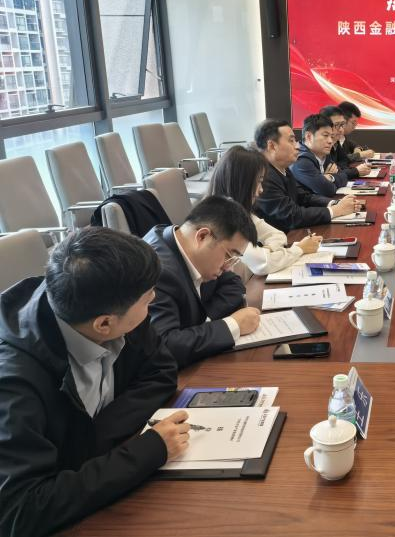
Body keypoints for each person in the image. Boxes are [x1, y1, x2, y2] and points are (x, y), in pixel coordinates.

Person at [0, 227, 187, 537]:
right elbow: (20, 510)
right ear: (104, 324)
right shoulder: (14, 384)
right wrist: (146, 451)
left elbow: (161, 371)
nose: (153, 300)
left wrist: (95, 437)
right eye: (147, 299)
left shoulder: (114, 303)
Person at [144, 195, 261, 369]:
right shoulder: (156, 270)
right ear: (202, 236)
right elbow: (165, 347)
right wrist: (232, 325)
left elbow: (234, 284)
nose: (228, 267)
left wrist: (204, 322)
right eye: (229, 255)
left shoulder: (192, 251)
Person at [207, 145, 322, 280]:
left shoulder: (241, 212)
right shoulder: (222, 219)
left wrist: (267, 251)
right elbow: (264, 265)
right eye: (258, 182)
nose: (261, 189)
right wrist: (300, 248)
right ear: (242, 183)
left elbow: (278, 235)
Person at [253, 119, 358, 232]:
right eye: (291, 140)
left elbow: (303, 197)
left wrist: (335, 203)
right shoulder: (262, 177)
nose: (297, 145)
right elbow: (291, 216)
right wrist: (336, 210)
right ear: (272, 146)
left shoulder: (283, 168)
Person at [290, 113, 352, 198]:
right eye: (325, 135)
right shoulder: (300, 160)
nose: (330, 141)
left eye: (331, 136)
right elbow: (327, 190)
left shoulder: (323, 154)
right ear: (309, 136)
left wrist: (330, 177)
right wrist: (325, 181)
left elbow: (344, 176)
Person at [321, 105, 371, 176]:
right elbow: (332, 176)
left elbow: (344, 161)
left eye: (342, 124)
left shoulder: (336, 141)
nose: (341, 130)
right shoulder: (321, 147)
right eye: (337, 125)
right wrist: (356, 171)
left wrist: (340, 171)